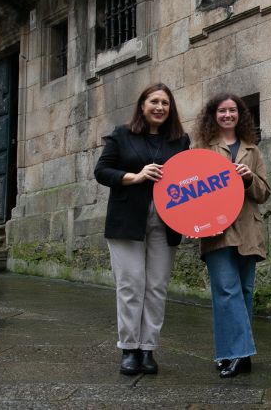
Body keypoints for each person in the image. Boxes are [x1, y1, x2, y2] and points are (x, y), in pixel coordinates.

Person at [94, 83, 190, 375]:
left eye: (165, 103)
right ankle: (129, 348)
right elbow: (101, 171)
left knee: (156, 287)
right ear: (142, 105)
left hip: (166, 222)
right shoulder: (122, 135)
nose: (160, 107)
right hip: (127, 221)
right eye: (154, 102)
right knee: (131, 285)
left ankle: (148, 349)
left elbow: (189, 179)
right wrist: (134, 177)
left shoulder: (180, 141)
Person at [194, 94, 271, 378]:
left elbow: (264, 193)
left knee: (245, 292)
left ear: (240, 114)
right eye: (222, 110)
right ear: (213, 115)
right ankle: (240, 353)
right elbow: (193, 192)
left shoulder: (253, 149)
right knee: (226, 291)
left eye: (233, 110)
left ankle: (232, 352)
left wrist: (249, 177)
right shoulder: (202, 148)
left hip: (248, 228)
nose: (228, 115)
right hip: (217, 231)